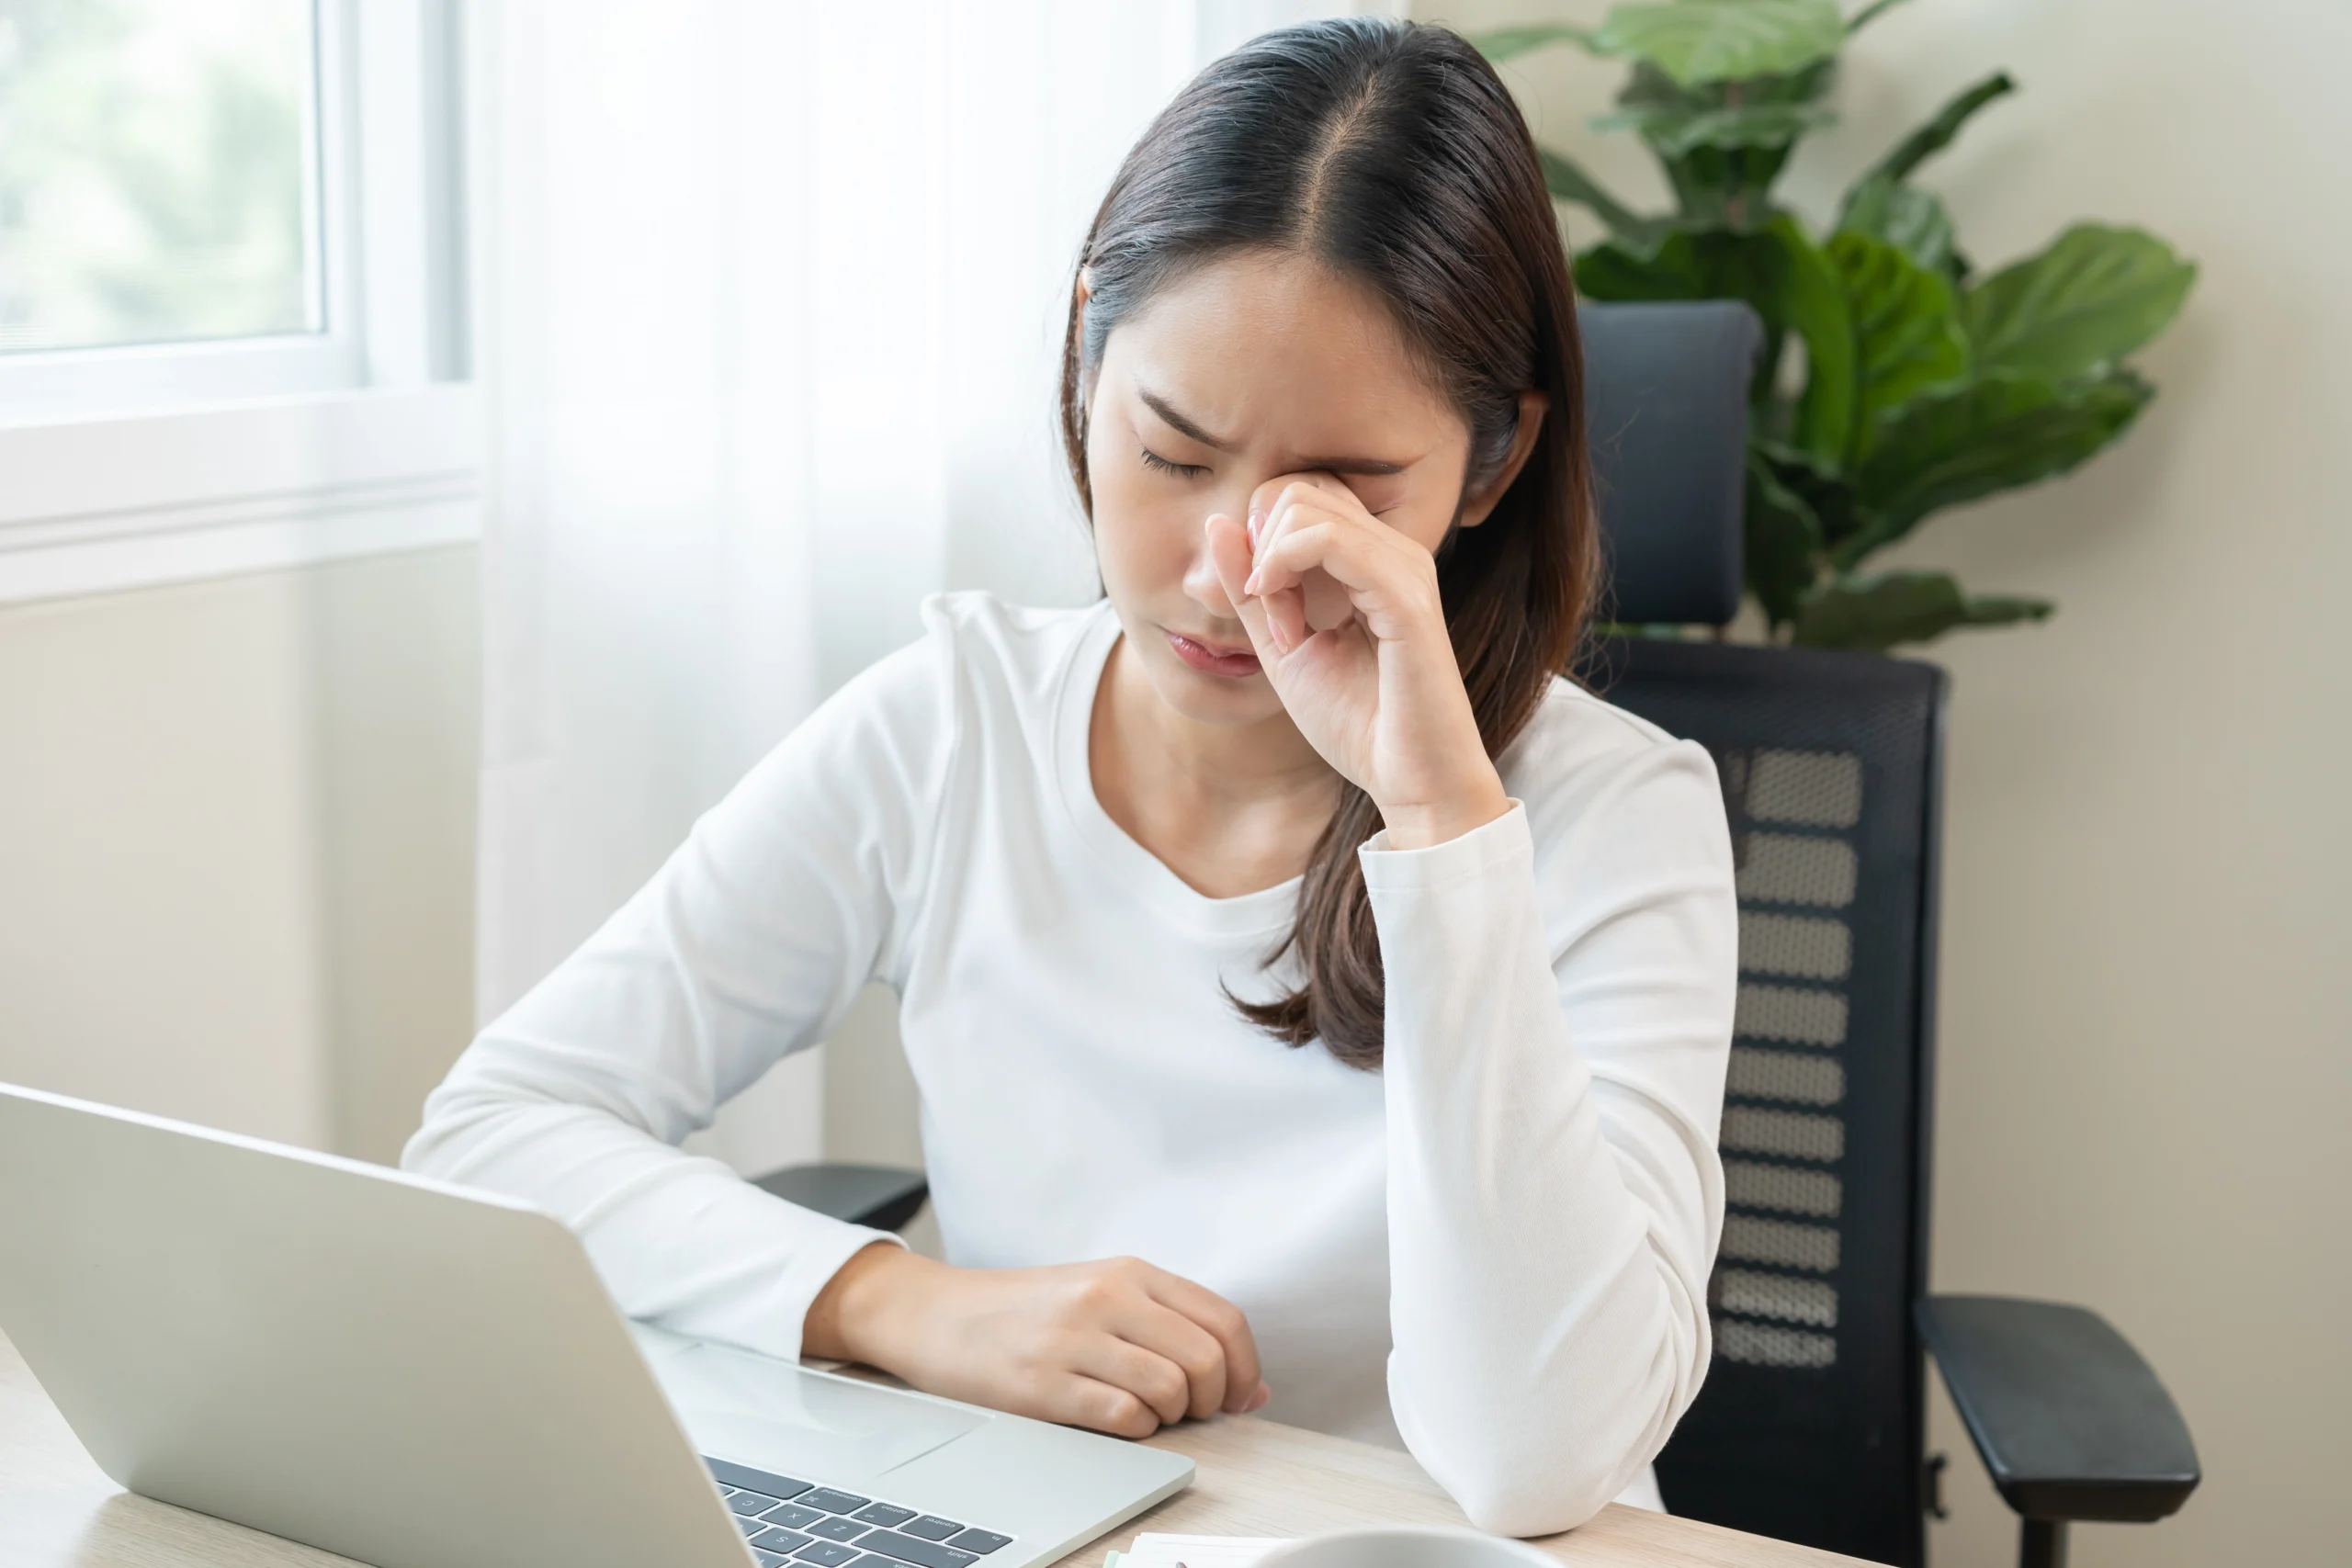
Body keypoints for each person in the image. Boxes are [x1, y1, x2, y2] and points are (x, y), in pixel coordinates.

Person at [404, 17, 1736, 1537]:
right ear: (1088, 357)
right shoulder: (949, 728)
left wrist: (1442, 826)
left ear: (1490, 468)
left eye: (1340, 494)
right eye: (1171, 455)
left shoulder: (1617, 817)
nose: (1229, 572)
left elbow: (1534, 1462)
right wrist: (897, 1302)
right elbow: (494, 1129)